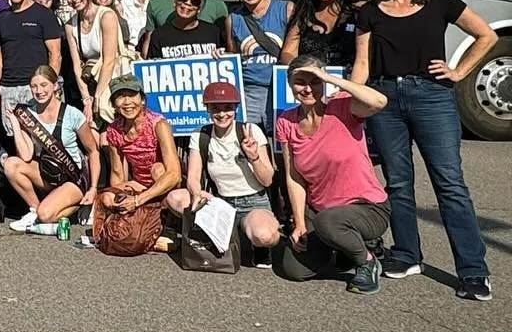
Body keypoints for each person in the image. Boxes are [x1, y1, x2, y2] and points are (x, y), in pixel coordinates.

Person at [352, 0, 497, 300]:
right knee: (398, 182)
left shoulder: (439, 1)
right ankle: (406, 254)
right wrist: (349, 101)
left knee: (449, 183)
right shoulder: (370, 10)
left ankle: (473, 270)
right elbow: (363, 65)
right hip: (385, 98)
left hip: (432, 96)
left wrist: (460, 71)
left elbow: (486, 35)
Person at [275, 56, 391, 293]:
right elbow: (294, 177)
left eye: (314, 81)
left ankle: (367, 260)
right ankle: (342, 246)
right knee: (294, 269)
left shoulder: (342, 106)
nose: (308, 88)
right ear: (290, 84)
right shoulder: (286, 121)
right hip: (321, 208)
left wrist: (329, 78)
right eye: (300, 82)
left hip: (366, 207)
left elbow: (379, 101)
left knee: (328, 223)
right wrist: (298, 223)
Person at [165, 80, 280, 257]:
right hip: (221, 201)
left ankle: (257, 244)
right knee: (175, 198)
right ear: (208, 109)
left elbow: (267, 180)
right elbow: (194, 175)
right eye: (215, 108)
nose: (222, 114)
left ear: (236, 108)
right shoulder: (200, 134)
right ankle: (220, 233)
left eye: (227, 107)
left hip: (253, 202)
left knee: (265, 236)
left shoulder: (250, 130)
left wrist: (254, 156)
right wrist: (197, 193)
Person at [4, 65, 99, 234]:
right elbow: (25, 156)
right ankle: (34, 210)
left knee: (46, 215)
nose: (39, 91)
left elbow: (93, 151)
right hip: (48, 172)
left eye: (44, 85)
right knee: (11, 164)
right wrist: (15, 124)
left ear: (55, 86)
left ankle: (78, 206)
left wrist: (93, 188)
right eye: (34, 86)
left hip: (73, 178)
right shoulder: (28, 114)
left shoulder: (73, 114)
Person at [95, 75, 183, 254]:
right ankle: (139, 228)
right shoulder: (113, 130)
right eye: (121, 97)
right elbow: (118, 174)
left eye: (132, 95)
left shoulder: (158, 124)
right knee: (107, 197)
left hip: (166, 182)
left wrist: (137, 201)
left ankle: (167, 226)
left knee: (157, 169)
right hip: (140, 183)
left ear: (142, 99)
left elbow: (174, 174)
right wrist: (120, 201)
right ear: (114, 103)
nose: (127, 102)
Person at [0, 0, 63, 137]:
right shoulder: (2, 18)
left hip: (37, 88)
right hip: (8, 89)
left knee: (47, 141)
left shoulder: (44, 14)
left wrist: (49, 86)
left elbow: (55, 54)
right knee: (17, 142)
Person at [229, 0, 290, 130]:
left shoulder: (286, 9)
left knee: (281, 144)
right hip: (249, 92)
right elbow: (232, 55)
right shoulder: (233, 19)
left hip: (281, 88)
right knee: (249, 145)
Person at [63, 0, 126, 123]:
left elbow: (109, 60)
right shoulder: (70, 25)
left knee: (106, 128)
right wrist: (86, 98)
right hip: (90, 81)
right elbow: (77, 65)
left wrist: (97, 97)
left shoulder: (106, 15)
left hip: (113, 79)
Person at [279, 0, 360, 68]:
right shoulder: (303, 13)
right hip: (310, 80)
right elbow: (287, 52)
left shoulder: (356, 13)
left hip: (349, 80)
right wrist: (300, 67)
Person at [144, 0, 229, 59]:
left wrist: (222, 56)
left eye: (195, 1)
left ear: (200, 8)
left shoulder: (213, 32)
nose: (188, 3)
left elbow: (228, 58)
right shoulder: (159, 35)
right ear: (175, 2)